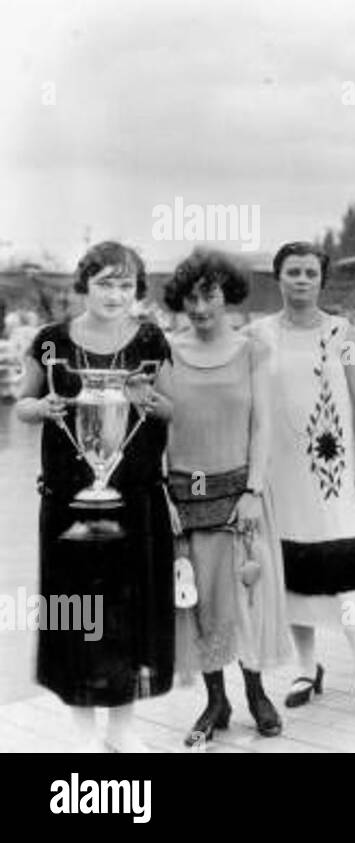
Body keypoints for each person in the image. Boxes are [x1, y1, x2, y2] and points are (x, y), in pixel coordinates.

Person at [15, 241, 176, 752]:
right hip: (68, 501)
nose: (115, 293)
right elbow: (21, 404)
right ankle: (82, 733)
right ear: (85, 284)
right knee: (77, 612)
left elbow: (172, 409)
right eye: (105, 282)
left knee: (129, 614)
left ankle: (122, 729)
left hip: (136, 500)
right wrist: (40, 406)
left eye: (126, 284)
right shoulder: (49, 341)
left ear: (138, 290)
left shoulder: (151, 341)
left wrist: (146, 399)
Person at [247, 242, 355, 712]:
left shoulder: (343, 333)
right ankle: (306, 669)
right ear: (279, 277)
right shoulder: (256, 335)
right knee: (293, 570)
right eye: (292, 271)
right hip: (279, 471)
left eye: (311, 272)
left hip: (336, 470)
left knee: (347, 569)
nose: (302, 280)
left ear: (321, 279)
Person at [165, 251, 293, 748]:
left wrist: (254, 490)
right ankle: (216, 700)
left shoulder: (252, 349)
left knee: (247, 600)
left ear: (227, 296)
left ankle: (257, 692)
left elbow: (262, 424)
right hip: (185, 494)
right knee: (200, 604)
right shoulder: (166, 352)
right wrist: (164, 497)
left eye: (210, 295)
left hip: (241, 493)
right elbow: (156, 430)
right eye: (192, 297)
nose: (200, 307)